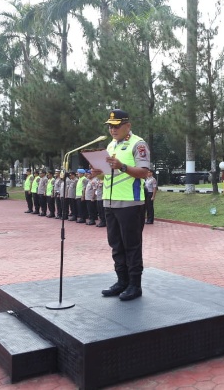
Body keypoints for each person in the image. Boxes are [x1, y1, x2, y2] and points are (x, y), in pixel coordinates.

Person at [93, 109, 150, 302]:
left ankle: (135, 285)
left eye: (116, 126)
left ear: (128, 125)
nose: (112, 129)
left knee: (131, 245)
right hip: (110, 202)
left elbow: (143, 172)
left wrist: (123, 166)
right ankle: (121, 281)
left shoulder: (138, 144)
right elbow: (109, 174)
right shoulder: (110, 145)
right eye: (110, 126)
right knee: (116, 245)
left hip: (130, 203)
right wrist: (98, 173)